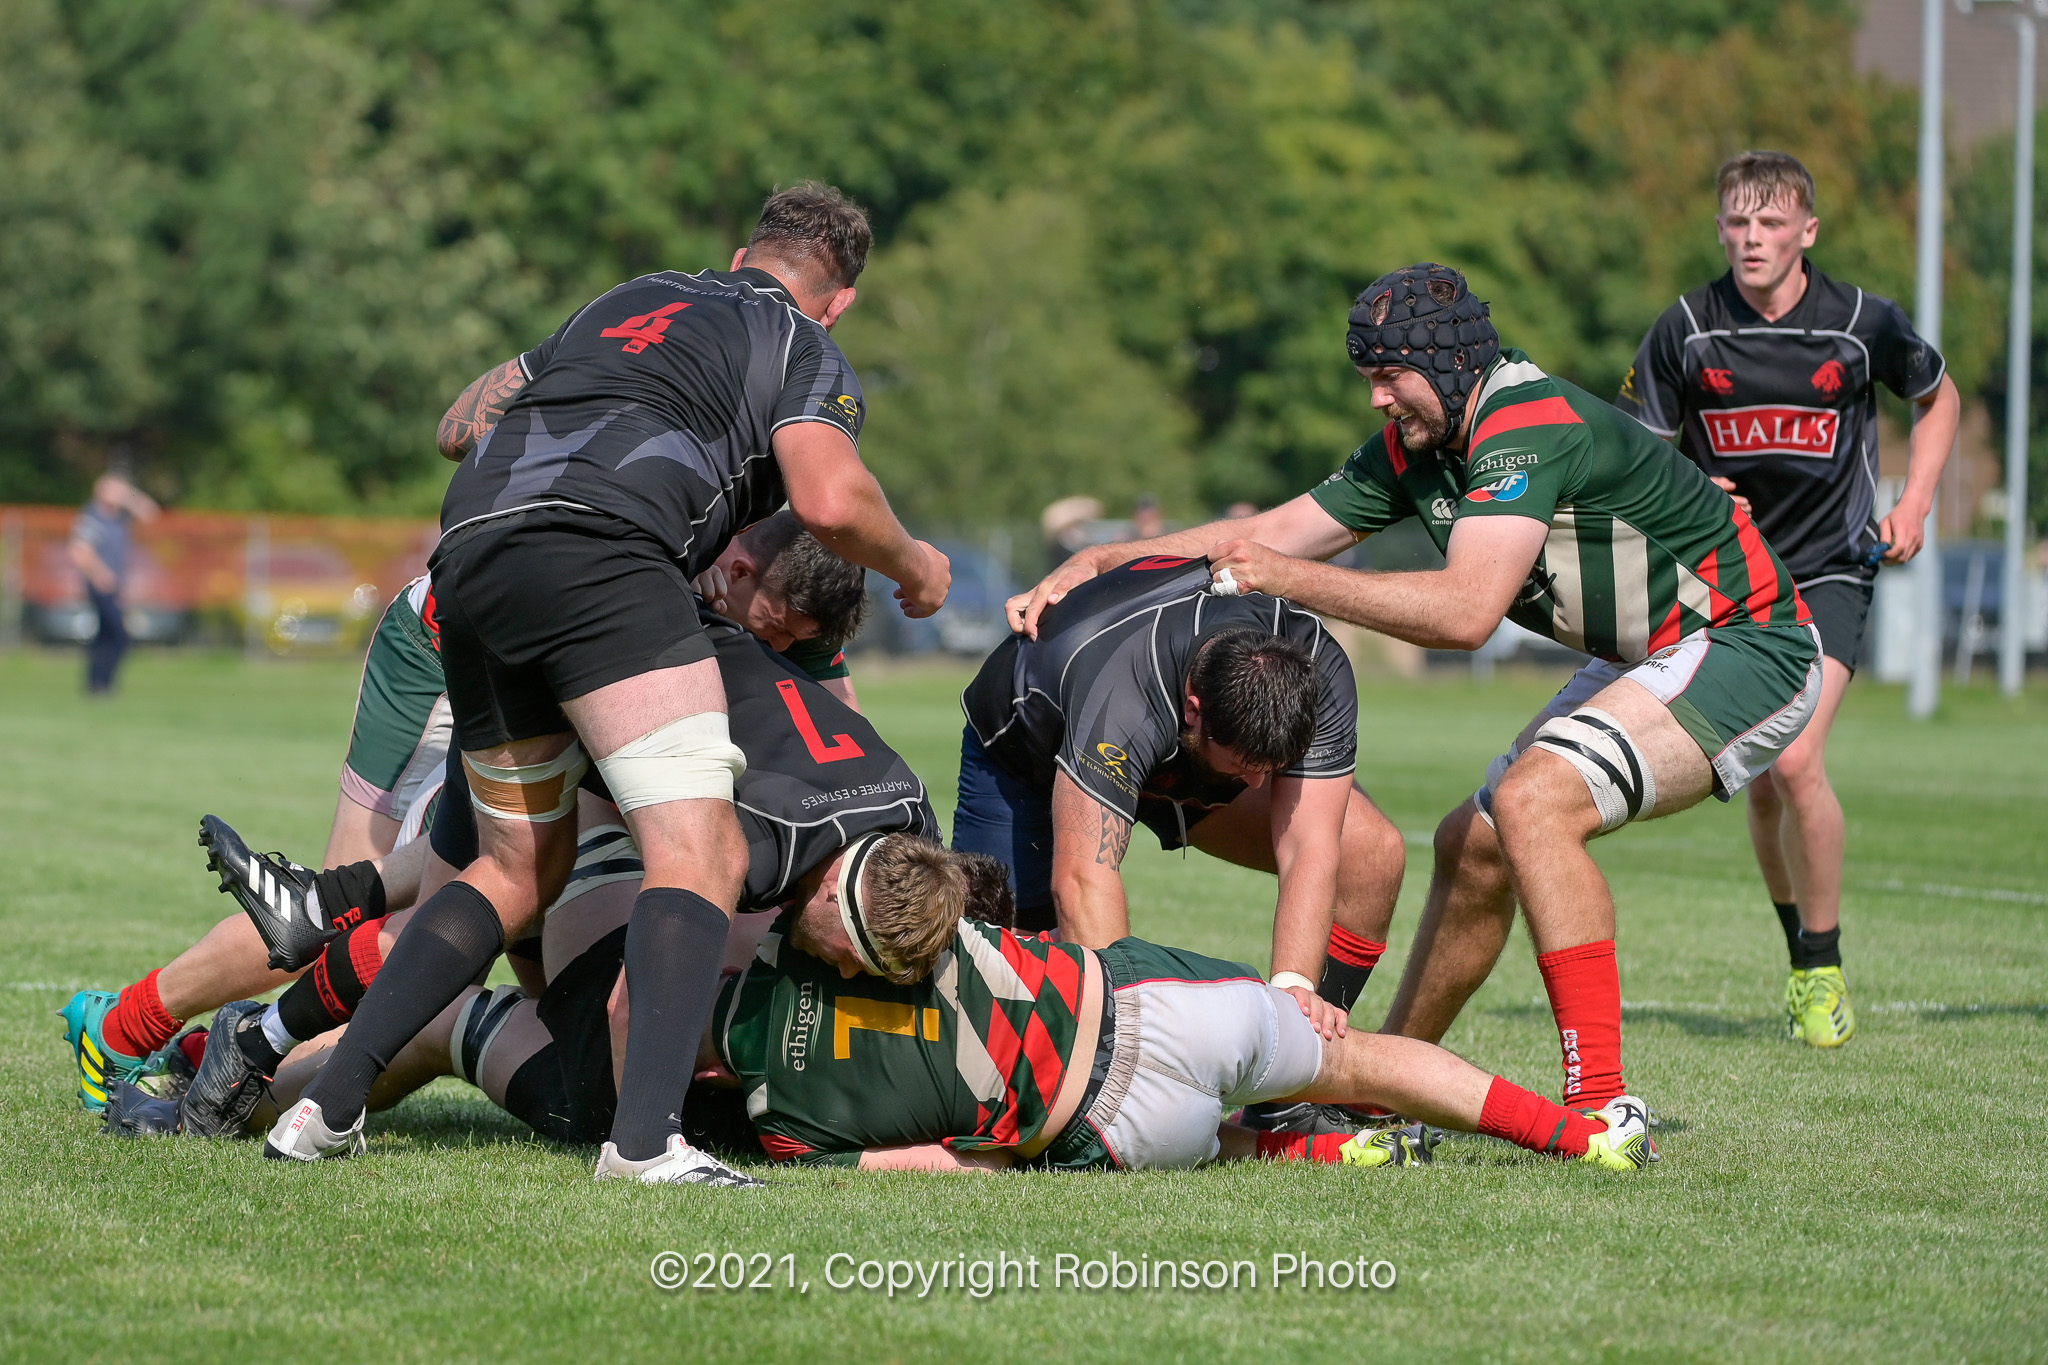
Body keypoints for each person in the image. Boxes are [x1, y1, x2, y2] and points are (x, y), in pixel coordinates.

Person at [1011, 263, 1822, 1116]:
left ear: (1447, 366)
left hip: (1744, 638)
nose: (1376, 400)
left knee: (1536, 802)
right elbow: (1266, 532)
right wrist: (1105, 561)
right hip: (1646, 652)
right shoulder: (1419, 446)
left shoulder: (1525, 423)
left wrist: (1291, 579)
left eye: (1389, 377)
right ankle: (1378, 1094)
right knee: (1470, 848)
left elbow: (1468, 613)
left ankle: (1602, 1105)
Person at [263, 182, 950, 1183]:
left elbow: (460, 426)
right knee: (699, 848)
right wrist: (917, 566)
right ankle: (643, 1144)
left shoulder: (627, 302)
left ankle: (322, 1110)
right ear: (837, 297)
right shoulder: (803, 344)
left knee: (511, 869)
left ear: (743, 248)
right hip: (602, 556)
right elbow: (830, 498)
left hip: (473, 554)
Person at [58, 520, 865, 1116]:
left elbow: (837, 737)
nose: (778, 646)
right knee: (427, 917)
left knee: (502, 898)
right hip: (455, 656)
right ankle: (127, 1024)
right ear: (739, 563)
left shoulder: (795, 577)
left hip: (555, 690)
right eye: (776, 626)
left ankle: (242, 1009)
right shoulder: (681, 537)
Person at [169, 618, 952, 1150]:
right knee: (462, 953)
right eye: (852, 953)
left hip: (572, 657)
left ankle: (307, 932)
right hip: (562, 700)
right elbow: (633, 1003)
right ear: (826, 895)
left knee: (481, 918)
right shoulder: (764, 853)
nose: (846, 969)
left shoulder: (908, 813)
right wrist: (646, 1130)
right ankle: (256, 1024)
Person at [1614, 151, 1959, 1047]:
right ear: (1721, 227)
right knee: (1761, 783)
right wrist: (1686, 496)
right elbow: (1639, 456)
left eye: (1769, 224)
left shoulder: (1858, 323)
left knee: (1797, 762)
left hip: (1833, 565)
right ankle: (1798, 953)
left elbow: (1939, 394)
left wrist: (1915, 500)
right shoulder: (1686, 328)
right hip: (1729, 576)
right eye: (1737, 222)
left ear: (1807, 231)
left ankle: (1824, 963)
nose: (1751, 239)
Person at [957, 556, 1408, 1117]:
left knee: (1371, 855)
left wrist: (1293, 992)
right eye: (1247, 766)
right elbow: (1084, 880)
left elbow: (1309, 846)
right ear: (1193, 711)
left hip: (1189, 748)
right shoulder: (1122, 693)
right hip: (1028, 750)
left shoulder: (1319, 668)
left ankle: (1287, 1098)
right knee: (1002, 962)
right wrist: (1135, 1071)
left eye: (1273, 767)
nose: (1259, 785)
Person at [68, 471, 160, 695]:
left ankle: (97, 686)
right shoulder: (93, 516)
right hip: (100, 584)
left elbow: (151, 513)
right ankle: (102, 683)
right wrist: (99, 573)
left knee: (105, 635)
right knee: (119, 634)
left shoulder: (119, 517)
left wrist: (129, 497)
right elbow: (79, 551)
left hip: (115, 586)